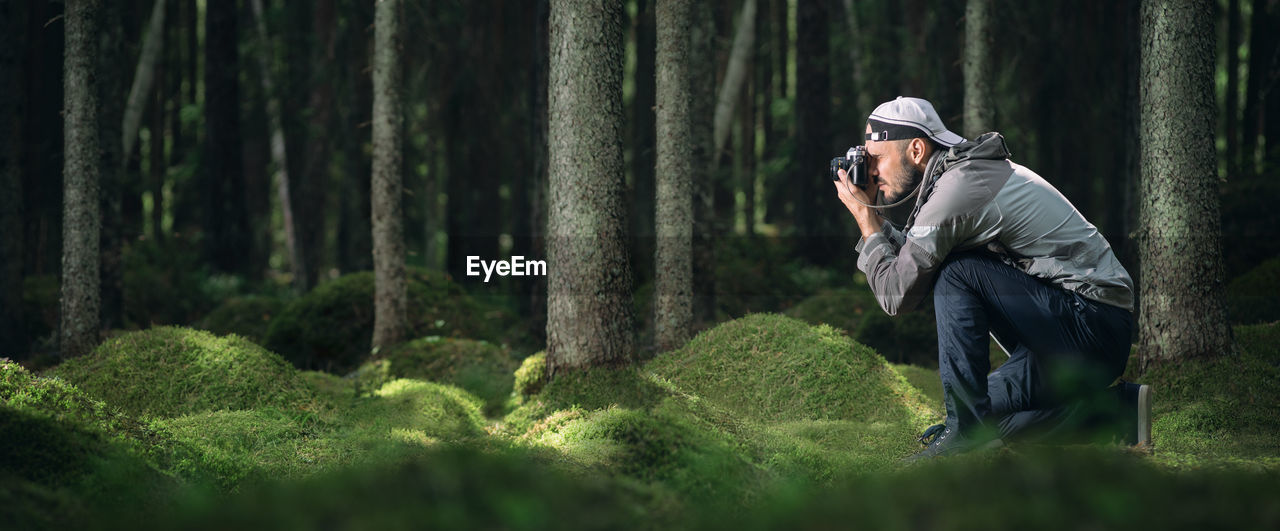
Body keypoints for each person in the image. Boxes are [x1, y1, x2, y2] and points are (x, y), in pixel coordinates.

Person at [831, 97, 1152, 460]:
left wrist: (866, 220)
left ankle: (964, 434)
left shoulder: (957, 190)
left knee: (957, 274)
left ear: (917, 149)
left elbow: (898, 295)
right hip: (1064, 337)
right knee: (979, 413)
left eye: (877, 158)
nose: (870, 171)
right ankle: (1116, 414)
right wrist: (874, 223)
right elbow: (913, 268)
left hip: (1092, 327)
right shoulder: (955, 180)